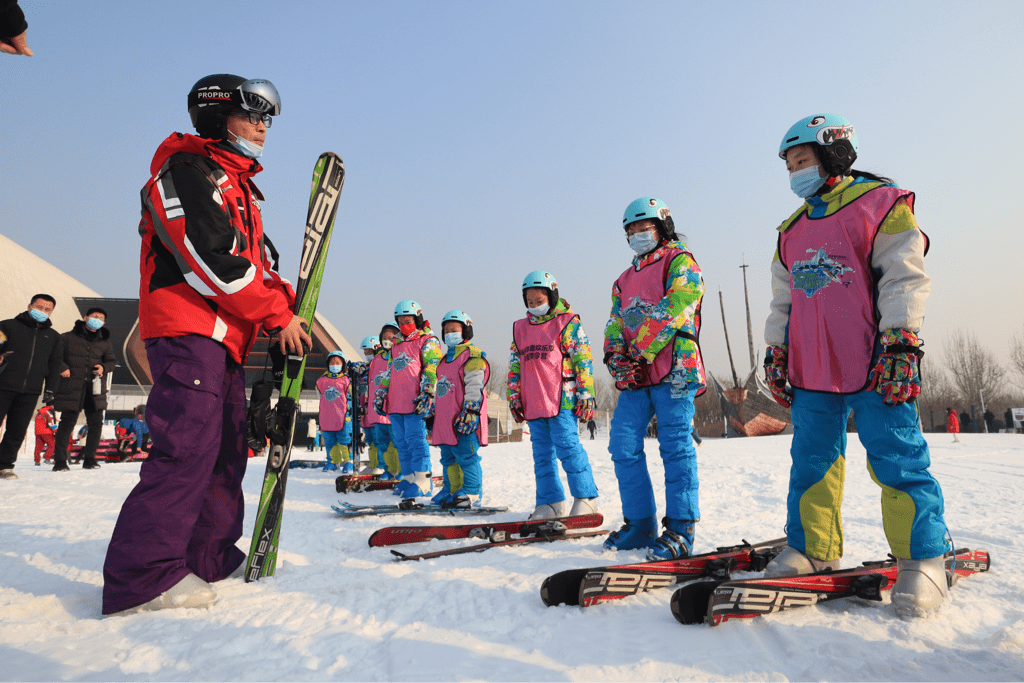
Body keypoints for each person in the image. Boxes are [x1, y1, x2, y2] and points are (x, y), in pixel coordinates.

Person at [102, 74, 310, 616]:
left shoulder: (235, 183)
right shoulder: (185, 173)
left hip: (225, 340)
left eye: (269, 118)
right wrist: (275, 312)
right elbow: (210, 258)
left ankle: (208, 554)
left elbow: (255, 265)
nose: (264, 128)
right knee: (184, 453)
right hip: (188, 330)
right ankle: (141, 579)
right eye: (254, 115)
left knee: (225, 452)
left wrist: (279, 314)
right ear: (219, 117)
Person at [762, 113, 951, 618]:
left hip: (874, 360)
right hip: (812, 368)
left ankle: (923, 560)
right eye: (790, 166)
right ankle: (812, 548)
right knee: (811, 463)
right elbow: (783, 301)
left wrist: (902, 342)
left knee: (897, 457)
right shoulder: (791, 230)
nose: (796, 173)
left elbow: (904, 277)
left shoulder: (881, 205)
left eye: (802, 161)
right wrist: (776, 350)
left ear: (835, 154)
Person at [603, 197, 706, 559]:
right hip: (636, 375)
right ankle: (640, 524)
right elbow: (615, 321)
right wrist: (615, 356)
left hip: (675, 367)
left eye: (642, 227)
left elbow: (678, 303)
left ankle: (681, 528)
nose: (636, 234)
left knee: (675, 444)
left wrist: (640, 348)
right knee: (622, 444)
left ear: (662, 227)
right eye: (630, 229)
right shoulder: (623, 279)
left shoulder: (680, 261)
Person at [508, 271, 599, 520]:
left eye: (539, 300)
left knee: (568, 449)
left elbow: (583, 359)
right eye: (531, 302)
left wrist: (586, 392)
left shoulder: (567, 323)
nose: (535, 306)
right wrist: (513, 397)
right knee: (542, 456)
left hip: (562, 400)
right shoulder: (521, 329)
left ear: (552, 295)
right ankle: (550, 502)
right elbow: (515, 366)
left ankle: (586, 498)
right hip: (533, 401)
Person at [374, 301, 442, 497]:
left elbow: (432, 367)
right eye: (401, 321)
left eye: (408, 321)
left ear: (418, 320)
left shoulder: (427, 340)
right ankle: (409, 476)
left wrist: (427, 391)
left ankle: (423, 478)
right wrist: (380, 394)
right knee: (401, 442)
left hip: (414, 401)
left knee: (415, 440)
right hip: (395, 402)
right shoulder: (396, 345)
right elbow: (388, 372)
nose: (404, 325)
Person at [0, 294, 64, 479]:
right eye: (39, 306)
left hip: (30, 391)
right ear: (30, 306)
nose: (43, 311)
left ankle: (4, 465)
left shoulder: (53, 336)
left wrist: (50, 389)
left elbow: (55, 364)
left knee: (17, 430)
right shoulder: (7, 326)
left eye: (47, 309)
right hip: (3, 385)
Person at [431, 310, 489, 508]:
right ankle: (452, 488)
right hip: (444, 420)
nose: (449, 334)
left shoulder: (472, 357)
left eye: (453, 330)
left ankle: (472, 491)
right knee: (447, 457)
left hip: (463, 417)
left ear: (466, 330)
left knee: (466, 455)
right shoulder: (444, 360)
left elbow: (475, 387)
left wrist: (471, 412)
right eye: (446, 331)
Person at [51, 308, 117, 471]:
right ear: (85, 317)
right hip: (72, 386)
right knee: (67, 423)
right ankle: (60, 461)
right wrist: (63, 367)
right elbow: (54, 356)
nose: (98, 320)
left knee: (96, 424)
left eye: (101, 318)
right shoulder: (66, 337)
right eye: (95, 316)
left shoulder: (104, 341)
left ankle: (90, 459)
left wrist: (103, 367)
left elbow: (111, 361)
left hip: (94, 388)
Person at [367, 323, 400, 479]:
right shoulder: (376, 359)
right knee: (383, 443)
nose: (388, 340)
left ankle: (400, 470)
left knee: (397, 443)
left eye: (392, 337)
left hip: (394, 408)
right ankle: (387, 469)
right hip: (379, 409)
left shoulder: (400, 355)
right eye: (385, 338)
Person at [317, 351, 353, 473]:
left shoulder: (346, 380)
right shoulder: (321, 381)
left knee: (344, 440)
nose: (335, 365)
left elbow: (352, 395)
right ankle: (333, 461)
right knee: (330, 440)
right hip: (326, 417)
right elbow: (319, 397)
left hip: (342, 416)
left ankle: (348, 462)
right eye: (332, 362)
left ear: (343, 365)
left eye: (338, 362)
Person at [357, 336, 384, 474]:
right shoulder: (365, 369)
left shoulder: (381, 365)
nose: (367, 355)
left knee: (379, 439)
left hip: (376, 409)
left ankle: (381, 465)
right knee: (370, 439)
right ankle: (374, 463)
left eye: (369, 352)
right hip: (365, 411)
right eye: (365, 353)